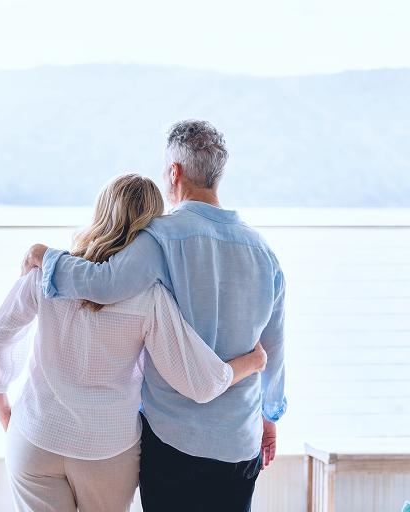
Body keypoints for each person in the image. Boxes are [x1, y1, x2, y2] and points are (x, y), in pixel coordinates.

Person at [22, 119, 286, 511]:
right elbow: (274, 348)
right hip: (238, 442)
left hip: (173, 439)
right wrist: (269, 416)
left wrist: (47, 258)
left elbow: (106, 282)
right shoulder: (265, 253)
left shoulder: (161, 236)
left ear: (174, 172)